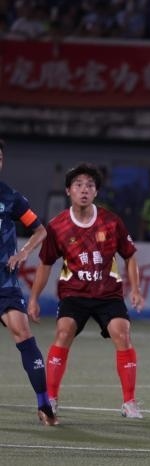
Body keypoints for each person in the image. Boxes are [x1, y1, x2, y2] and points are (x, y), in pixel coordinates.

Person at [27, 163, 145, 419]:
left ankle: (130, 403)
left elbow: (130, 255)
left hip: (108, 294)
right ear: (68, 191)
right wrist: (34, 298)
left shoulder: (111, 222)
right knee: (64, 331)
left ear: (96, 192)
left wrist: (135, 290)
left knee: (122, 333)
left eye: (90, 186)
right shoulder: (57, 226)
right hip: (74, 294)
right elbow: (45, 264)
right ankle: (51, 399)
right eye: (78, 185)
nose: (84, 190)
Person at [0, 140, 56, 426]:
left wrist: (23, 252)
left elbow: (40, 230)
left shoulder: (11, 197)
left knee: (23, 334)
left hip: (4, 284)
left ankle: (44, 405)